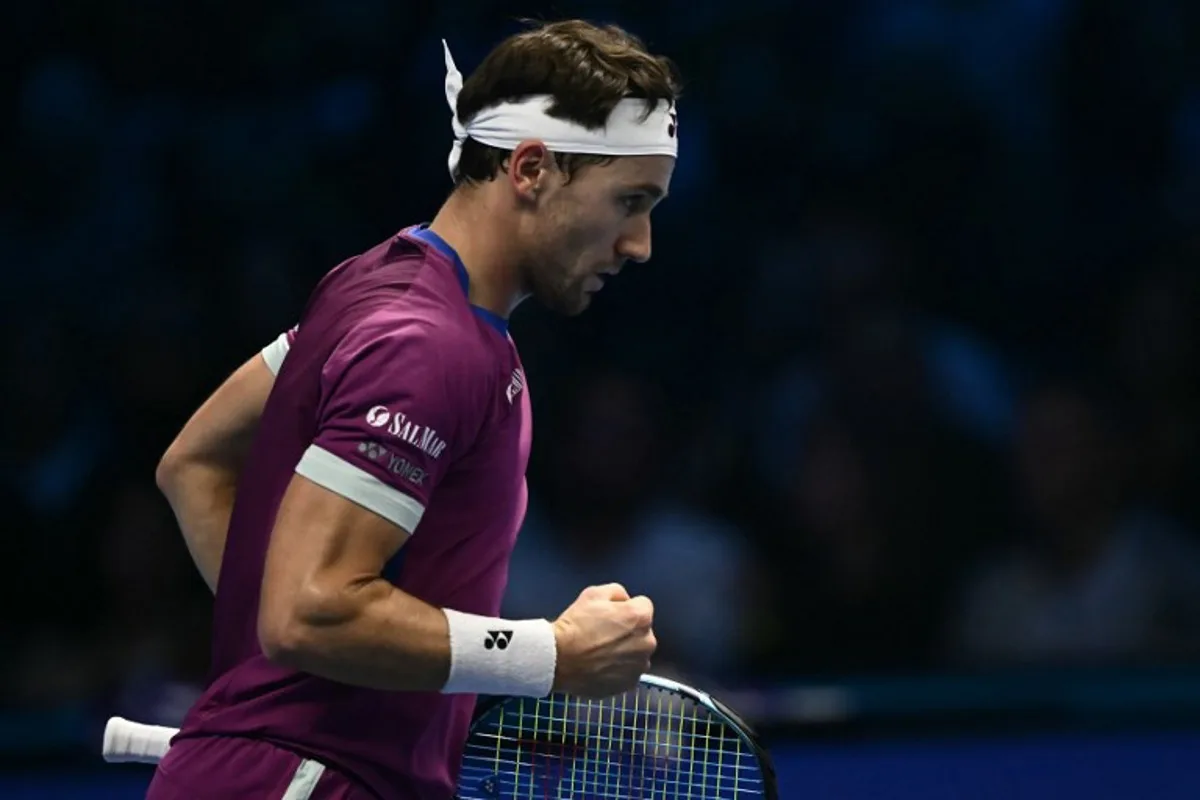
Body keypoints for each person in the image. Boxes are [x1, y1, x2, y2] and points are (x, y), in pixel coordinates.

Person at [145, 19, 681, 800]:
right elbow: (306, 613)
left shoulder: (373, 285)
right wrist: (551, 654)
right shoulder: (422, 341)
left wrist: (291, 682)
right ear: (531, 167)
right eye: (629, 201)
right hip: (305, 781)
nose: (641, 243)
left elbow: (192, 465)